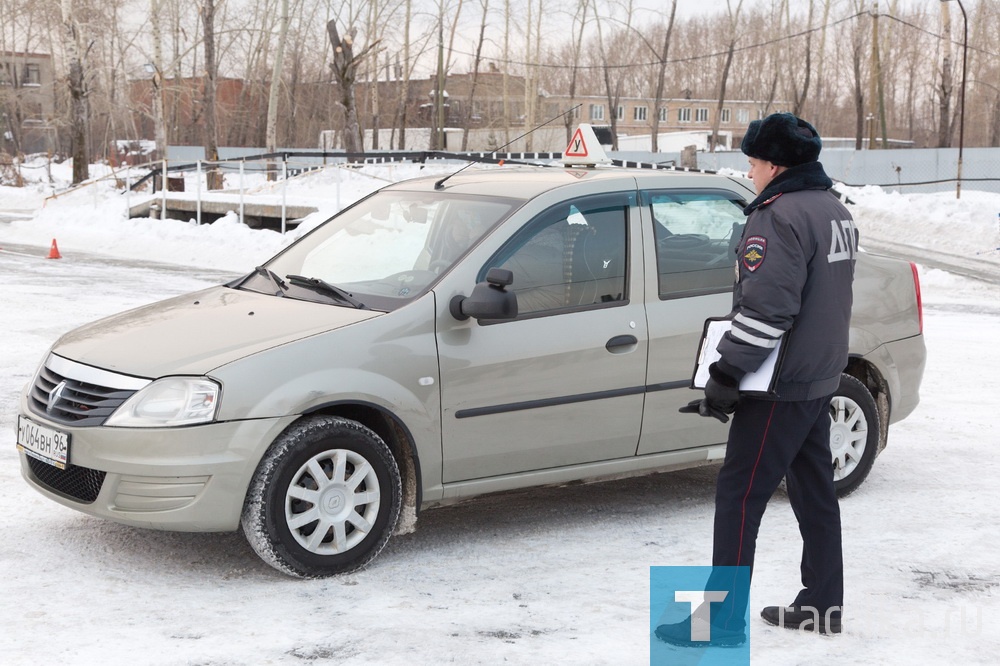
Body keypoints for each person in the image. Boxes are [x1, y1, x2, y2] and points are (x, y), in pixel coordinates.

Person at [656, 112, 858, 646]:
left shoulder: (777, 217)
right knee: (815, 492)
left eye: (752, 163)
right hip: (819, 376)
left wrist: (725, 372)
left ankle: (718, 624)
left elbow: (767, 311)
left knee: (739, 495)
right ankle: (822, 604)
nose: (750, 174)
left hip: (780, 384)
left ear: (773, 163)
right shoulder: (834, 210)